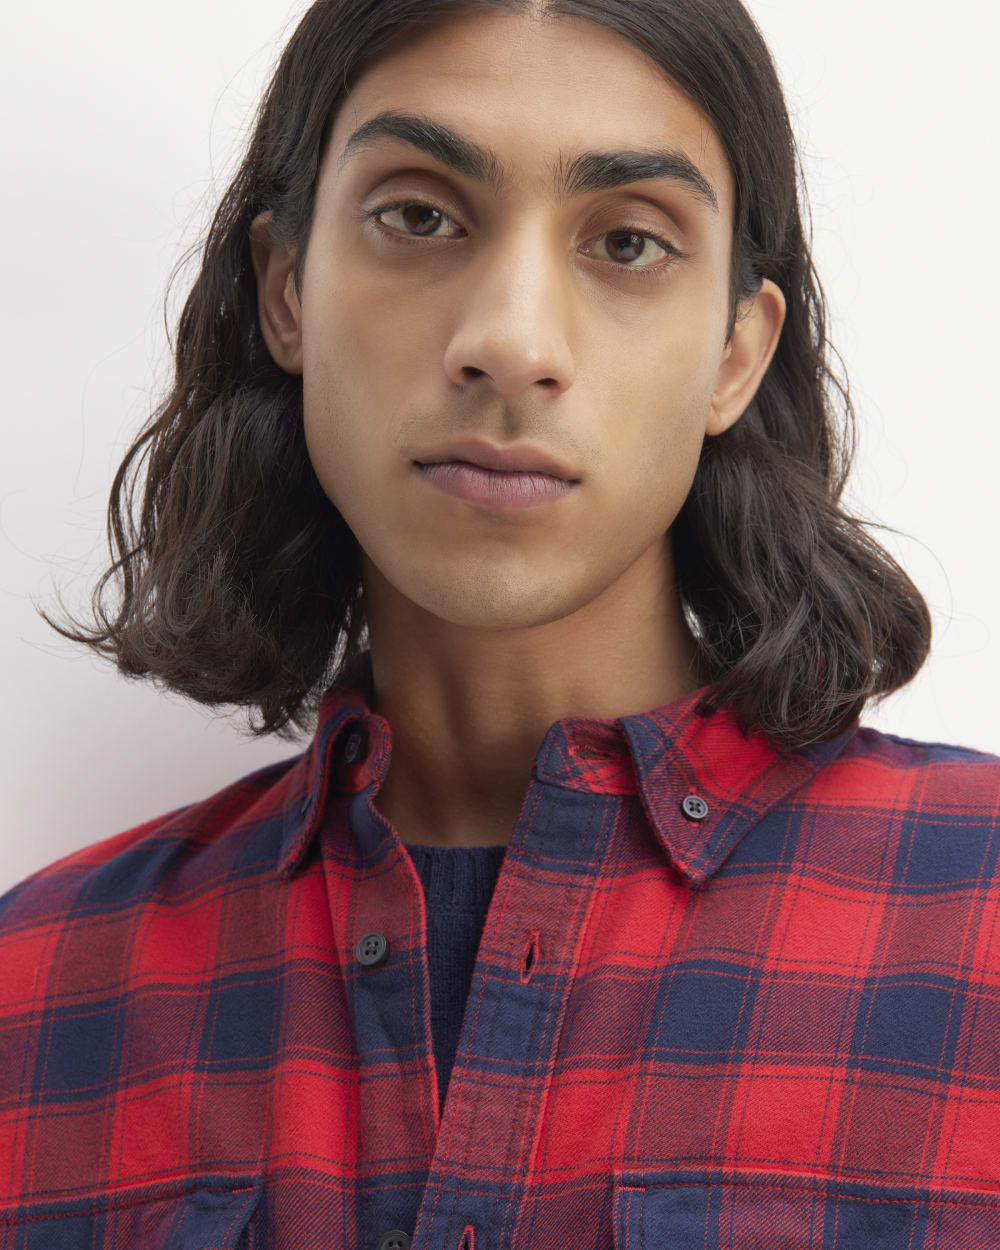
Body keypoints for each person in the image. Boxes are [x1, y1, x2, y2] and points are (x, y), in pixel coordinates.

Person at [4, 1, 999, 1246]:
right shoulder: (34, 998)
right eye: (418, 217)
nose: (511, 343)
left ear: (735, 354)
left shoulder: (977, 915)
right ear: (285, 291)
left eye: (629, 242)